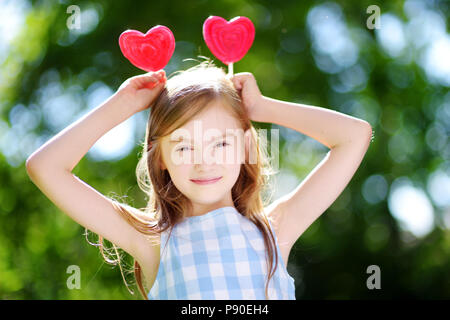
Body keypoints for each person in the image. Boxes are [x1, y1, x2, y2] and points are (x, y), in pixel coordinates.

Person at [26, 58, 372, 300]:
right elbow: (45, 167)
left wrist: (262, 108)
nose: (204, 162)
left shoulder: (274, 231)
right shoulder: (152, 241)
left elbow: (355, 135)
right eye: (183, 146)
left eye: (221, 143)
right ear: (159, 158)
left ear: (245, 148)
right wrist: (122, 105)